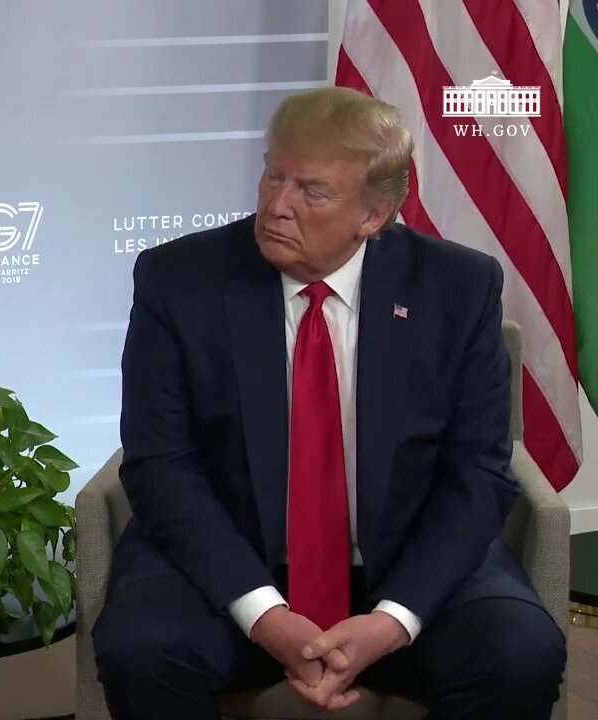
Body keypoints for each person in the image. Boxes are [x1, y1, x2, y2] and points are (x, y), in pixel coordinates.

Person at [91, 87, 566, 719]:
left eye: (312, 192)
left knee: (520, 653)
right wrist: (264, 613)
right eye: (272, 176)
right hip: (230, 562)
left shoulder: (458, 288)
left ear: (374, 216)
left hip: (405, 560)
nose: (277, 206)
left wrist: (392, 620)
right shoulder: (179, 281)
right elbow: (160, 466)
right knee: (140, 649)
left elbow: (477, 473)